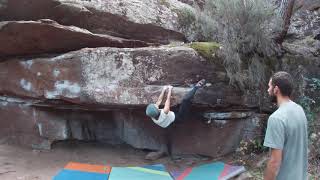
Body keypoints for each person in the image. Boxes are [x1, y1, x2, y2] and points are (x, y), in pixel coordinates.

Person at [264, 71, 308, 180]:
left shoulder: (276, 118)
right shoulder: (299, 109)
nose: (268, 90)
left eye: (269, 86)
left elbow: (274, 162)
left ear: (276, 89)